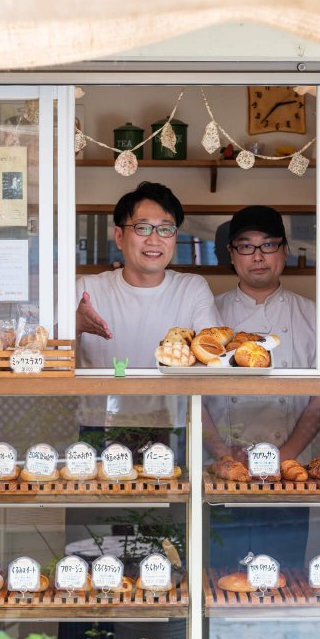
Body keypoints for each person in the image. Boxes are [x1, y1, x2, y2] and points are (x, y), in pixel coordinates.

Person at [204, 205, 320, 568]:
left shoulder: (313, 317)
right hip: (223, 471)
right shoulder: (208, 316)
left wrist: (286, 455)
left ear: (285, 250)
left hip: (291, 476)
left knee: (284, 576)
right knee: (221, 577)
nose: (257, 256)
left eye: (268, 245)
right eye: (246, 246)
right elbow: (190, 394)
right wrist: (222, 453)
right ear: (231, 254)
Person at [74, 181, 218, 456]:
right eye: (142, 228)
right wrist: (75, 326)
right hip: (97, 424)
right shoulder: (87, 289)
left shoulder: (192, 288)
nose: (155, 240)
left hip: (172, 425)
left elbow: (212, 357)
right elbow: (49, 357)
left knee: (172, 497)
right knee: (97, 497)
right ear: (119, 236)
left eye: (166, 229)